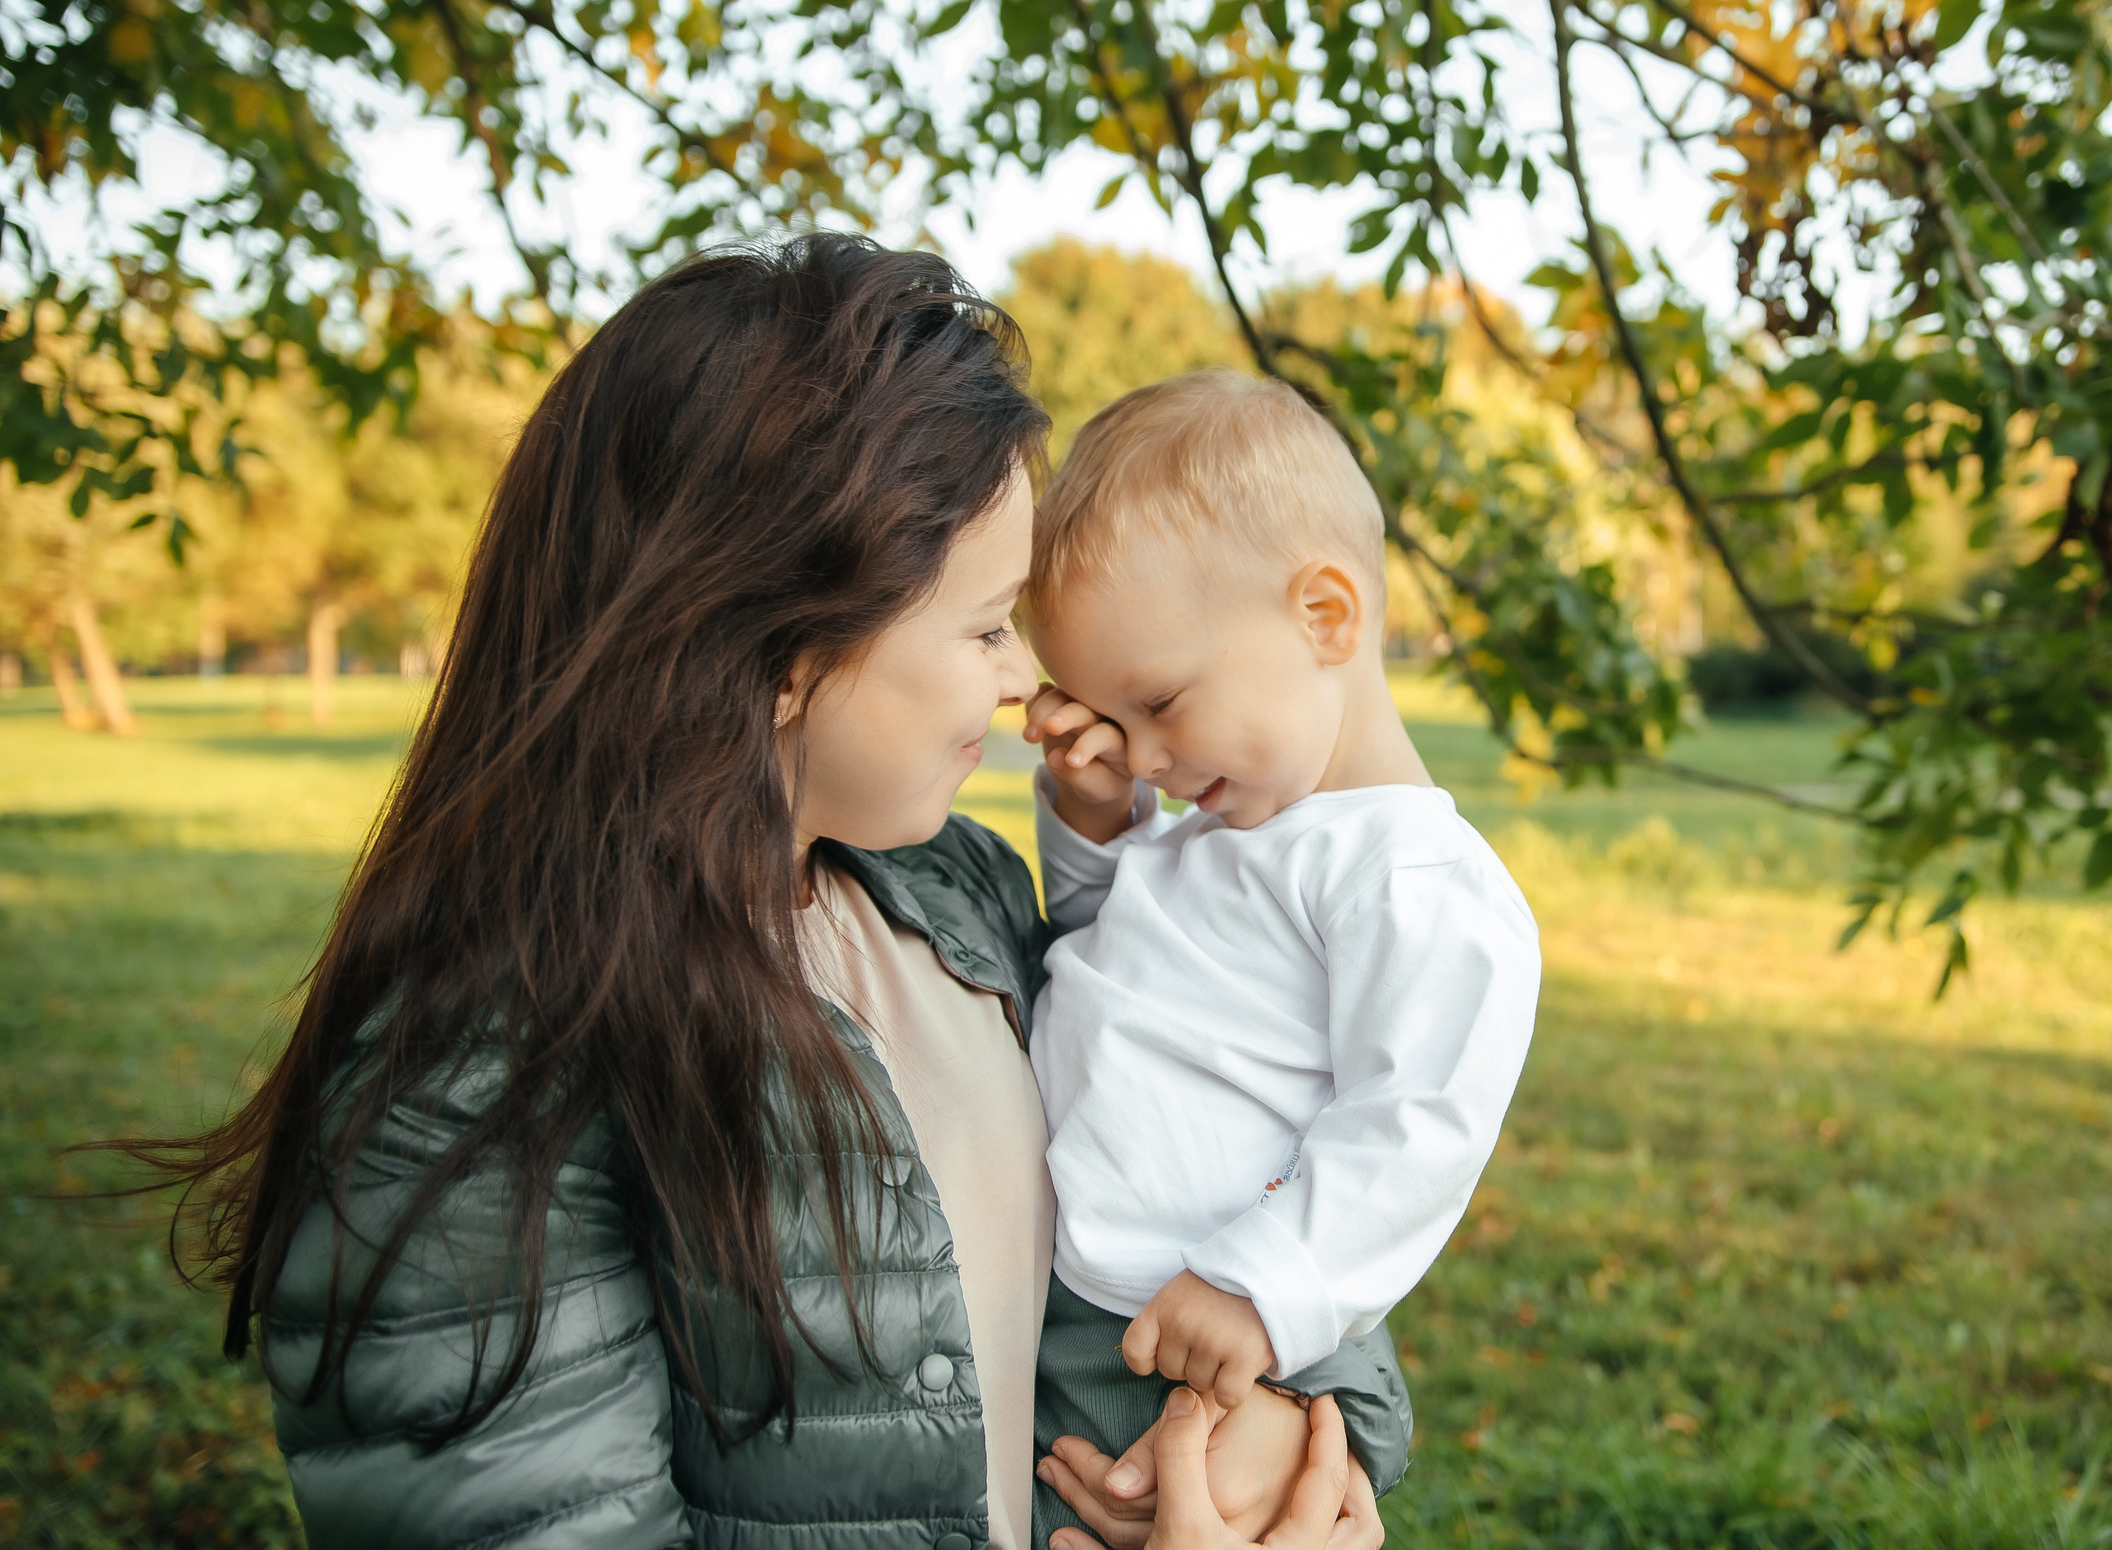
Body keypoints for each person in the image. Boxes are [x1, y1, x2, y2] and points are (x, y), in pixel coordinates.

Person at [114, 237, 1407, 1550]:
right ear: (779, 652)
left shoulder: (958, 900)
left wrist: (1305, 1423)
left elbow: (1212, 1154)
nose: (1026, 681)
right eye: (984, 625)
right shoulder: (486, 1068)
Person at [1017, 371, 1541, 1541]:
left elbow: (1416, 1128)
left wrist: (1263, 1288)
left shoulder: (1409, 877)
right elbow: (1111, 960)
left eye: (1158, 703)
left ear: (1324, 617)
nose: (1140, 754)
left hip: (1198, 1328)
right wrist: (1097, 820)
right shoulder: (1221, 829)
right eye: (1113, 720)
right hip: (1079, 1295)